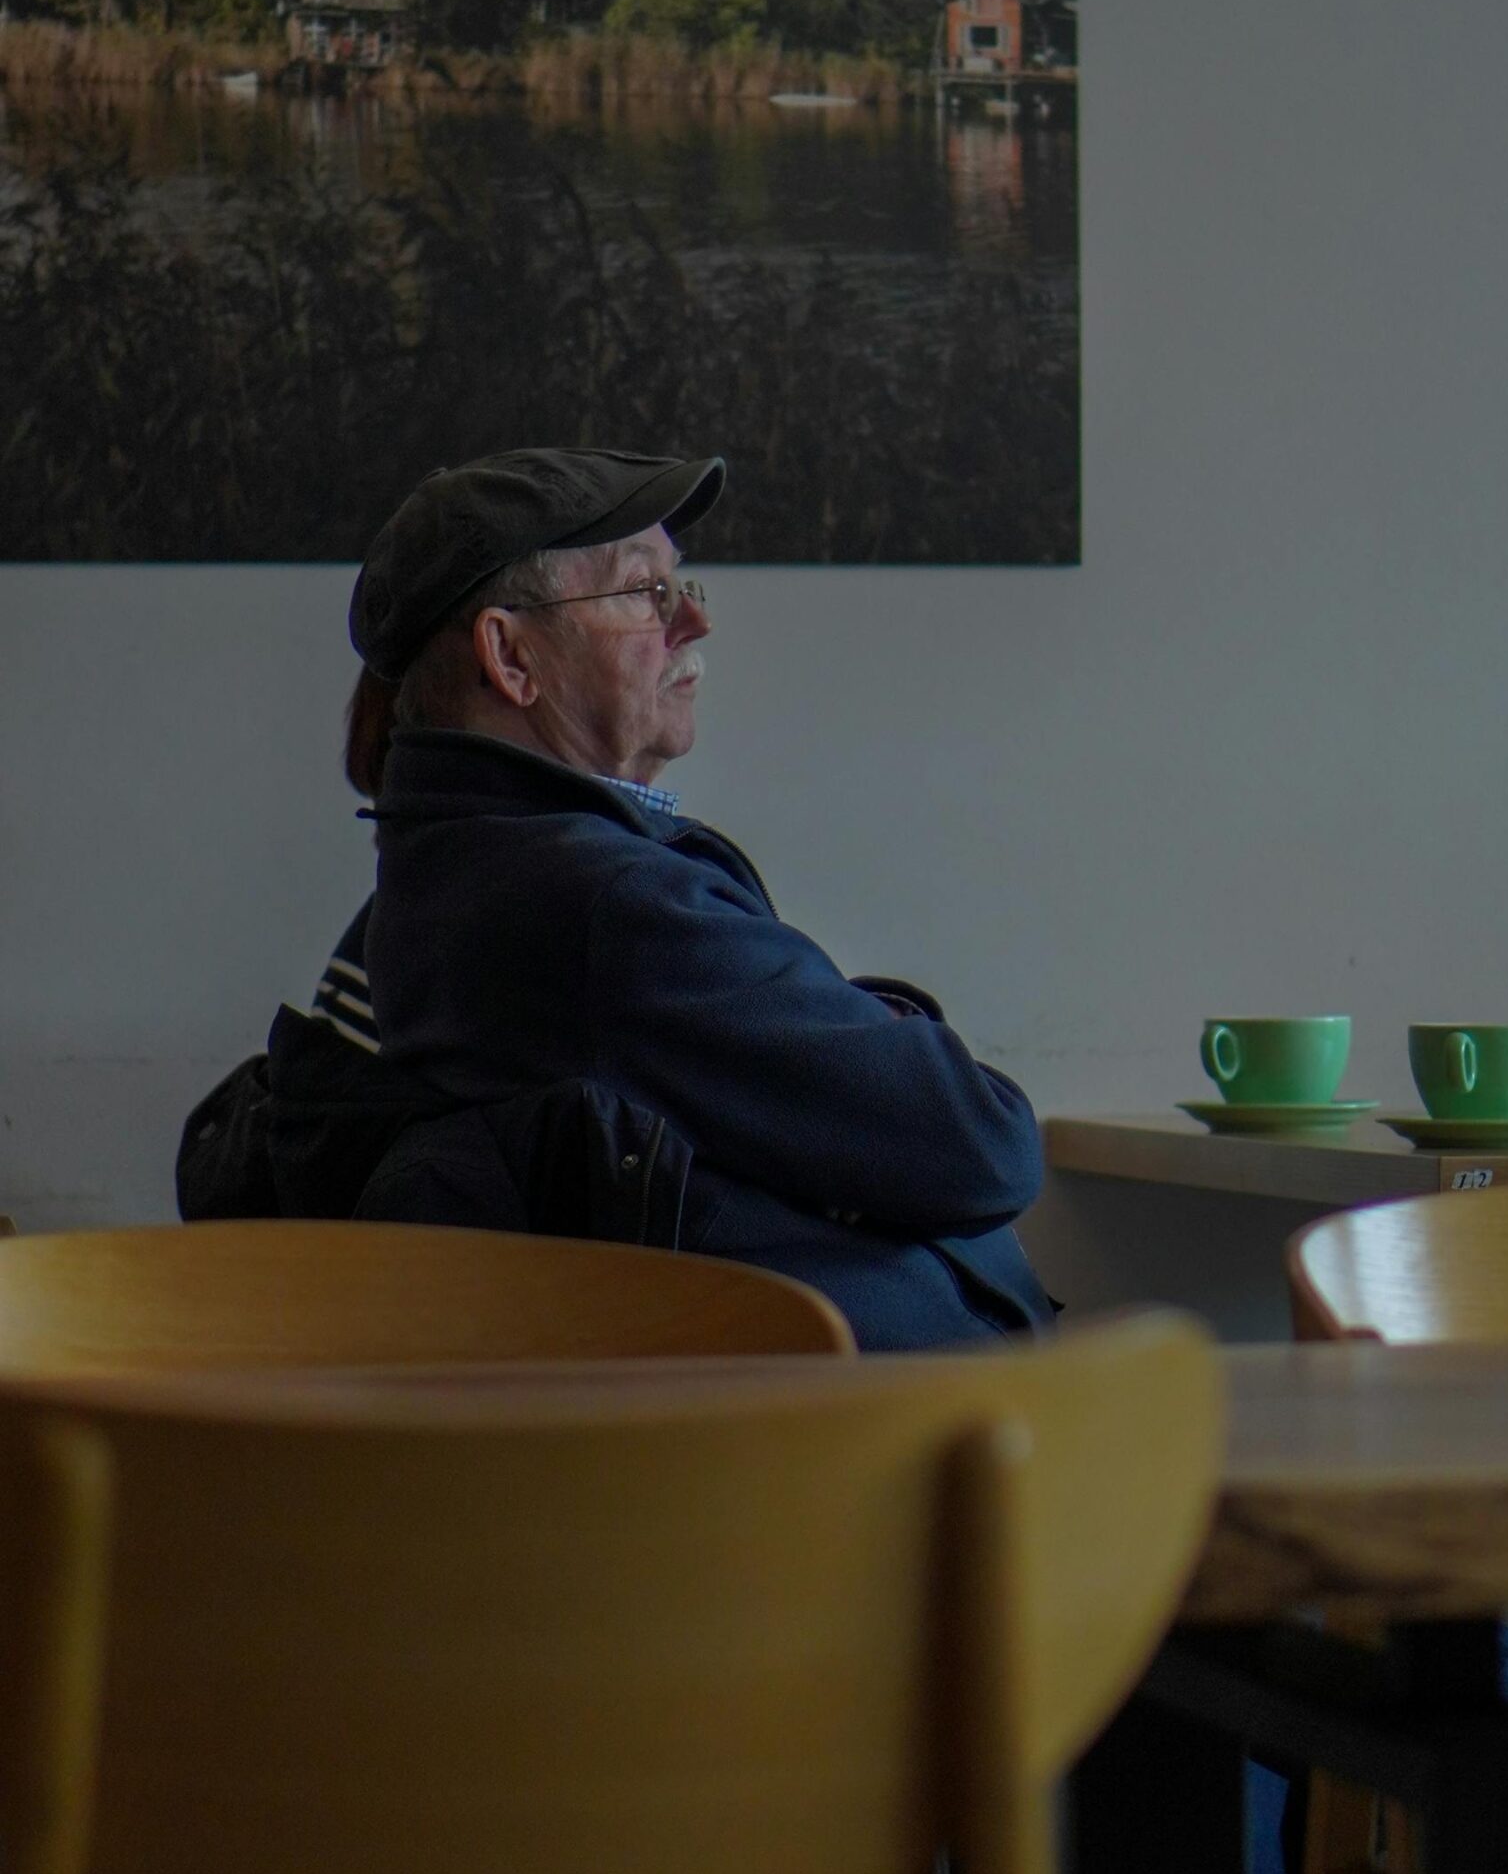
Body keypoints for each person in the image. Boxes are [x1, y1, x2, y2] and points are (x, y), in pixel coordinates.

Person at [187, 445, 1053, 1352]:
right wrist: (879, 1018)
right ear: (511, 656)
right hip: (856, 1453)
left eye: (684, 585)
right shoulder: (609, 910)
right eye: (644, 591)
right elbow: (982, 1146)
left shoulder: (445, 886)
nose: (692, 623)